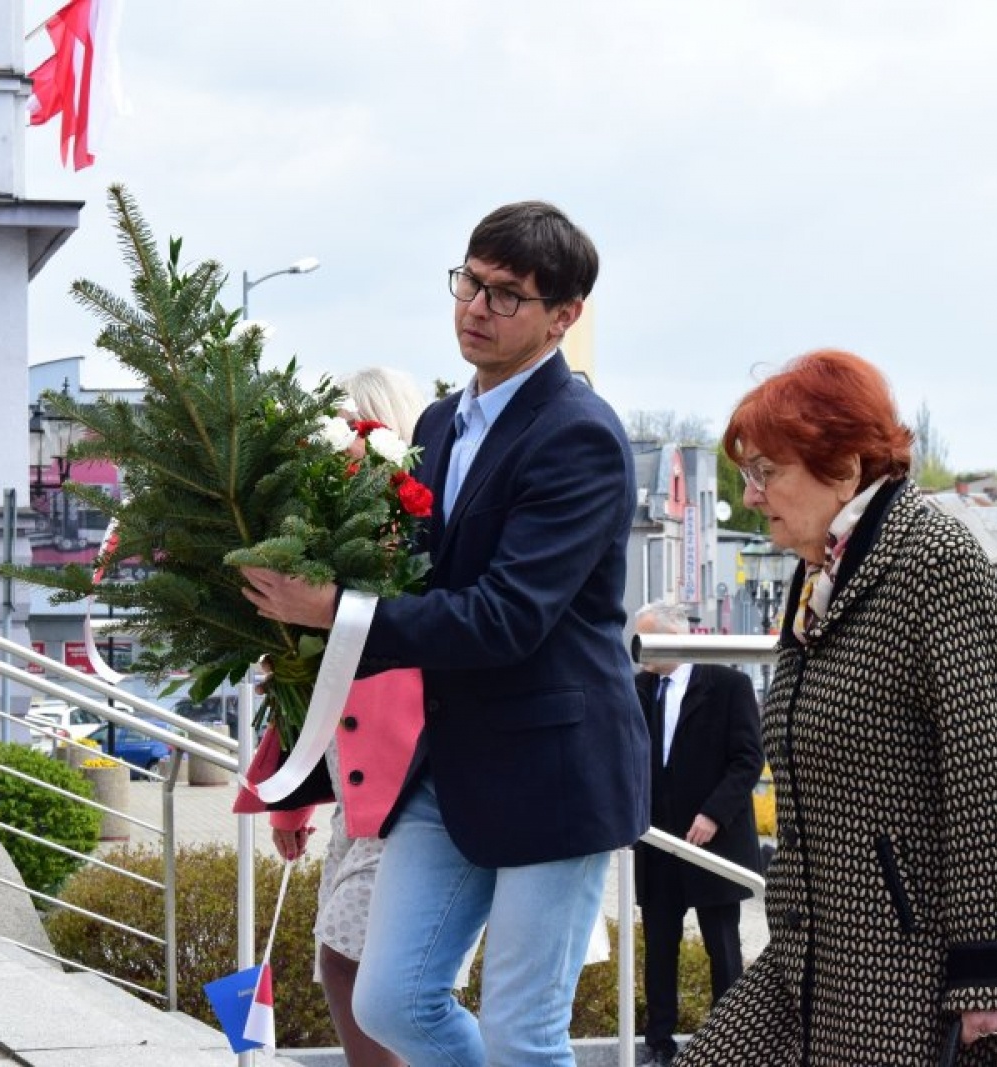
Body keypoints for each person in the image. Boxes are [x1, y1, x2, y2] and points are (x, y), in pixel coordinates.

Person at [239, 201, 649, 1067]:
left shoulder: (581, 436)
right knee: (390, 999)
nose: (475, 307)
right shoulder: (435, 424)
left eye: (506, 296)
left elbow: (507, 616)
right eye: (469, 280)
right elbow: (413, 581)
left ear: (564, 317)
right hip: (453, 758)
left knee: (523, 1031)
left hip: (557, 772)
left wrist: (334, 609)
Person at [673, 349, 997, 1065]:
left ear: (843, 464)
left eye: (767, 471)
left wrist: (996, 979)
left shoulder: (935, 563)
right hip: (820, 959)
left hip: (923, 976)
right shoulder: (822, 578)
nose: (751, 494)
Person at [234, 366, 428, 1067]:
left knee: (359, 970)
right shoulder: (332, 546)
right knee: (345, 967)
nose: (342, 447)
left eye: (357, 426)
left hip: (412, 789)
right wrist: (289, 807)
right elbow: (311, 681)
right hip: (357, 794)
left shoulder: (416, 543)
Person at [632, 601, 764, 1066]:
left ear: (676, 638)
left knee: (722, 947)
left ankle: (727, 1043)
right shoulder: (640, 689)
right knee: (659, 949)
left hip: (714, 845)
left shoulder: (728, 685)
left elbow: (748, 758)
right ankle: (658, 1044)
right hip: (657, 842)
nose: (640, 651)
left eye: (649, 640)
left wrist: (713, 814)